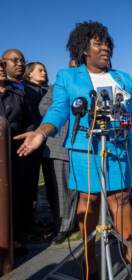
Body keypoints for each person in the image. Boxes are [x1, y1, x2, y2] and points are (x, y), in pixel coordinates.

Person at [14, 21, 132, 278]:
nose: (105, 47)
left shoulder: (122, 77)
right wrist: (42, 132)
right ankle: (89, 265)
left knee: (120, 200)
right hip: (85, 149)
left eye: (107, 43)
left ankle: (129, 257)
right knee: (90, 201)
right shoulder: (68, 76)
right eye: (98, 43)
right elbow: (59, 109)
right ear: (83, 49)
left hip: (119, 149)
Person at [38, 59, 78, 245]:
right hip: (58, 147)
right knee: (59, 191)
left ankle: (74, 222)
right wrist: (69, 107)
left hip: (82, 147)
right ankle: (62, 227)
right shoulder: (56, 88)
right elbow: (43, 107)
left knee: (76, 190)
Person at [0, 59, 34, 254]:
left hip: (17, 149)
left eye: (2, 67)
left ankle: (15, 238)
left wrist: (28, 134)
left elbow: (30, 120)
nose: (1, 70)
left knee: (17, 194)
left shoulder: (17, 94)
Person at [23, 62, 49, 228]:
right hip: (31, 138)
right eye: (40, 70)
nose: (44, 72)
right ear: (29, 74)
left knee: (51, 180)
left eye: (45, 70)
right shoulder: (24, 91)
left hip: (50, 141)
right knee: (29, 180)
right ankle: (30, 218)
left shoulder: (50, 90)